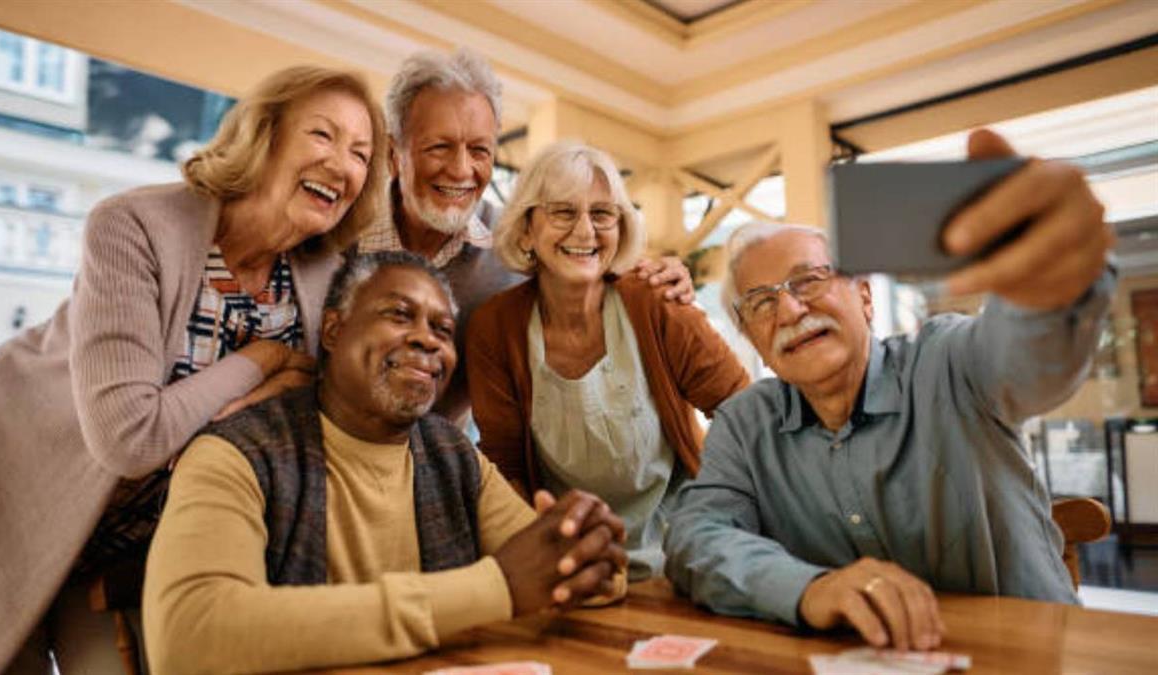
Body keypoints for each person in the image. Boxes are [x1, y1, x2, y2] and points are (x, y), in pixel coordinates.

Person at [0, 65, 388, 673]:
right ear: (263, 135)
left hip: (127, 546)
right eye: (322, 135)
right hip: (4, 491)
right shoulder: (133, 226)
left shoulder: (320, 275)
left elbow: (312, 416)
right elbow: (130, 436)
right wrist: (260, 361)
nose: (343, 165)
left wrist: (288, 392)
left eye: (361, 154)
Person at [664, 129, 1116, 653]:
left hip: (1022, 659)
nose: (788, 311)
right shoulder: (745, 425)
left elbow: (1031, 361)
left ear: (864, 297)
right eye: (761, 303)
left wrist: (1052, 287)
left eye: (807, 280)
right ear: (754, 342)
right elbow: (695, 538)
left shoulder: (948, 361)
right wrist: (809, 588)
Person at [142, 251, 627, 673]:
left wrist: (589, 549)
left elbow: (553, 571)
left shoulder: (452, 453)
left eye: (442, 329)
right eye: (399, 314)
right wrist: (493, 588)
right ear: (333, 330)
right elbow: (190, 636)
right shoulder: (235, 453)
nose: (428, 340)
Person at [355, 48, 695, 419]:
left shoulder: (519, 240)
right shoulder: (340, 235)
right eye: (440, 147)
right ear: (393, 153)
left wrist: (661, 276)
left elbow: (590, 263)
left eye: (480, 150)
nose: (461, 170)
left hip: (441, 458)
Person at [467, 141, 750, 581]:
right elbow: (506, 466)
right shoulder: (494, 327)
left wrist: (713, 516)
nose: (585, 232)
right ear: (526, 230)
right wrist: (545, 555)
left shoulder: (655, 300)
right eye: (563, 212)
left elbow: (744, 412)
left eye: (602, 214)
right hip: (571, 562)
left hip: (685, 557)